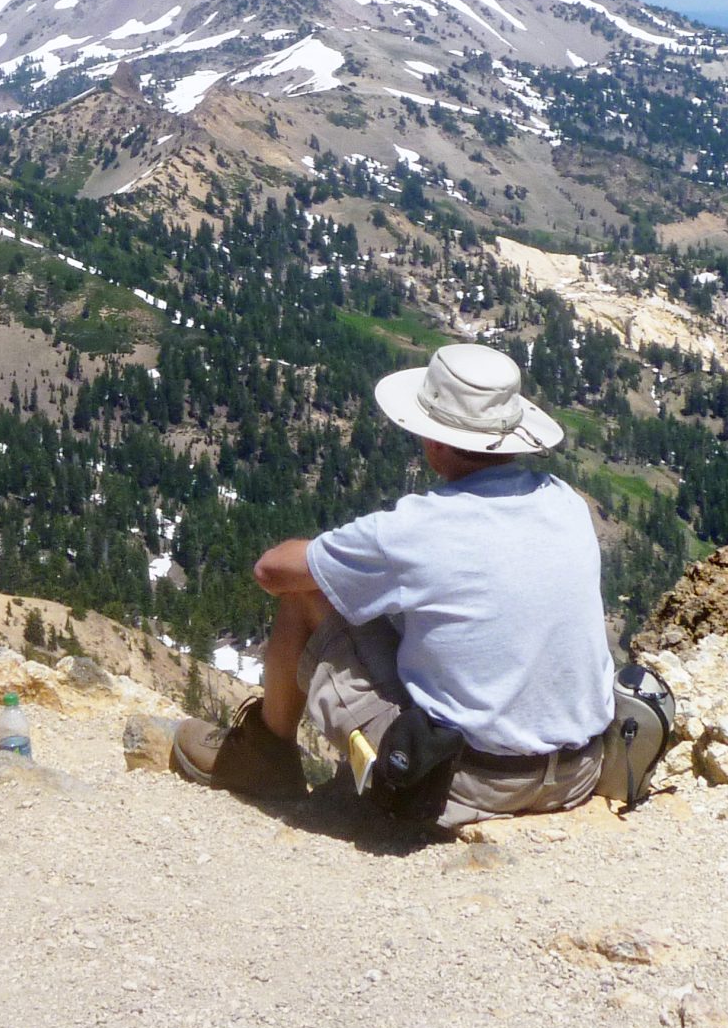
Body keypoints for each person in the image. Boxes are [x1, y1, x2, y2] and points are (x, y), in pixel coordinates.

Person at [170, 342, 617, 830]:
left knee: (306, 596)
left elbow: (271, 571)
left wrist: (335, 552)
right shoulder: (566, 501)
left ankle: (263, 755)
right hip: (580, 771)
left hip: (464, 781)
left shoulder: (419, 528)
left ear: (434, 440)